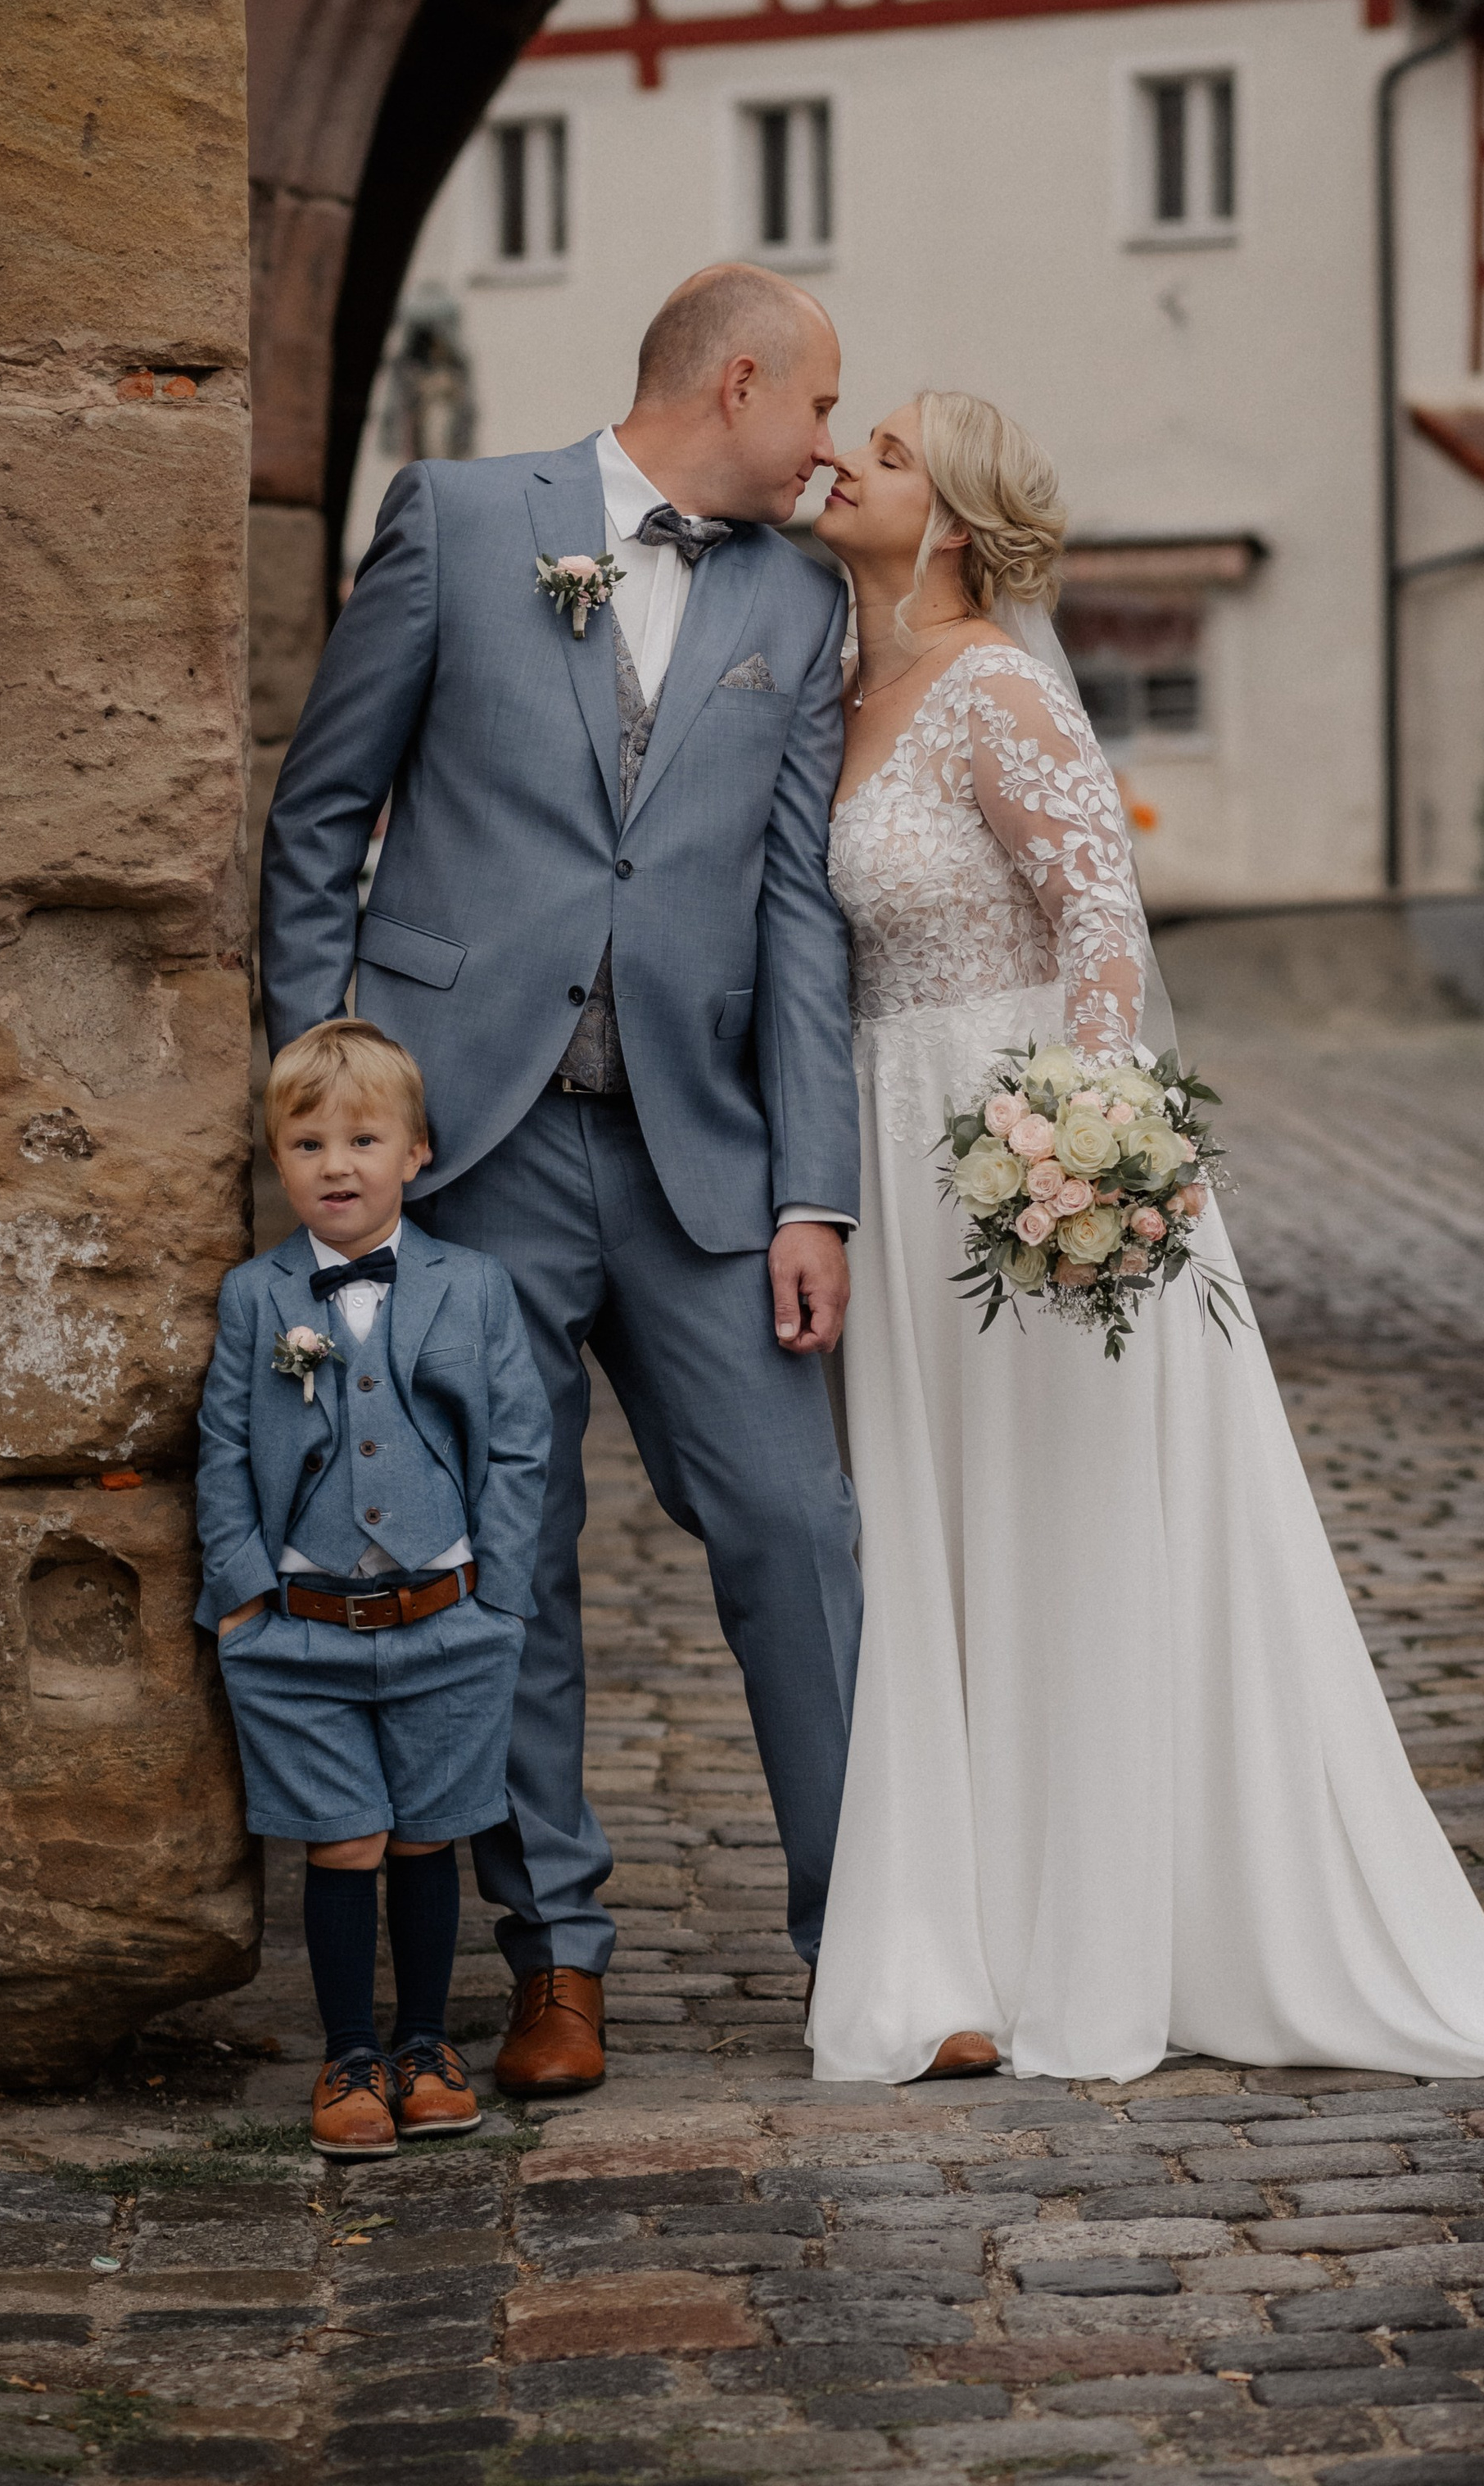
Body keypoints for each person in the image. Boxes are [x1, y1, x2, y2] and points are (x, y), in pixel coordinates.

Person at [806, 391, 1484, 2085]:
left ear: (953, 526)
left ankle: (1100, 1930)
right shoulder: (848, 690)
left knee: (1060, 1524)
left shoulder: (994, 687)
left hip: (1016, 1161)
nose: (849, 454)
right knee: (940, 1536)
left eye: (891, 452)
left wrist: (1085, 1155)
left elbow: (1098, 920)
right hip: (886, 1143)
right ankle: (963, 1930)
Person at [259, 265, 864, 2097]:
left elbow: (798, 910)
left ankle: (866, 1939)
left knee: (796, 1527)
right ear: (738, 381)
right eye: (818, 410)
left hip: (700, 1158)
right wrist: (328, 1100)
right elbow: (315, 816)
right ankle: (556, 1960)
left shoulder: (800, 597)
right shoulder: (458, 522)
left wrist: (810, 1189)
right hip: (474, 1154)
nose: (831, 449)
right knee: (501, 1563)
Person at [194, 1018, 551, 2155]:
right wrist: (246, 1596)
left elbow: (521, 1444)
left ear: (418, 1154)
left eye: (362, 1139)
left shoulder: (475, 1287)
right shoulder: (257, 1298)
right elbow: (219, 1448)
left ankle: (427, 2045)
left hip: (448, 1618)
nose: (335, 1165)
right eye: (306, 1143)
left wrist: (497, 1596)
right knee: (342, 1841)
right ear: (277, 1158)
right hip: (300, 1630)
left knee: (427, 1838)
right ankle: (349, 2055)